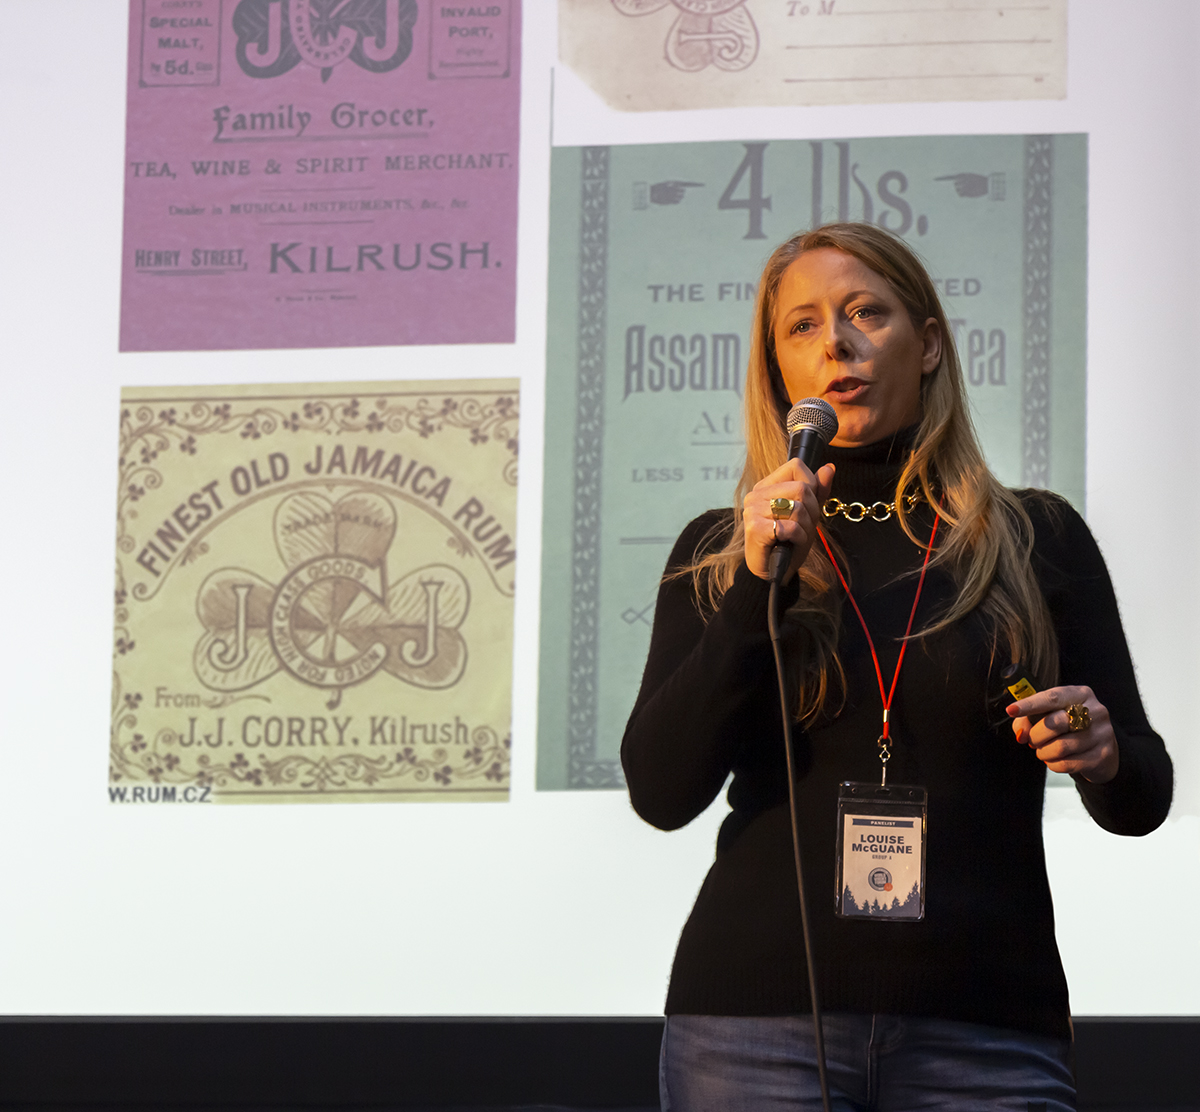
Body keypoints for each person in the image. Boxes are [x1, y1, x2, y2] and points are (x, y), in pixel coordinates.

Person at [620, 223, 1172, 1111]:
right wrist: (755, 588)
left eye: (865, 311)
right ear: (779, 373)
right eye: (801, 327)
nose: (835, 341)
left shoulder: (1035, 537)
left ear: (928, 345)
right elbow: (660, 789)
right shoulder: (725, 553)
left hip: (986, 1034)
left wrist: (1103, 753)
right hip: (754, 1037)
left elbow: (1143, 796)